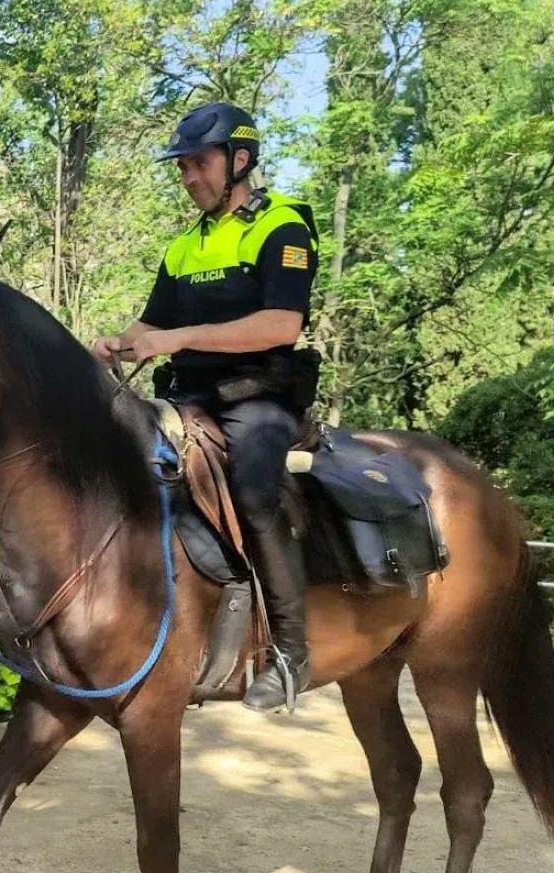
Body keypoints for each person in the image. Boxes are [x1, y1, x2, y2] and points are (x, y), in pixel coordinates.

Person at [90, 102, 321, 713]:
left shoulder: (283, 226)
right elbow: (152, 324)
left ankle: (292, 653)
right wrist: (113, 344)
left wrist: (179, 338)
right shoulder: (182, 247)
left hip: (259, 396)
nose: (188, 177)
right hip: (187, 397)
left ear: (239, 160)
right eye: (183, 167)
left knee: (253, 489)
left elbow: (281, 325)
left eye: (199, 163)